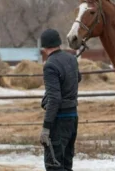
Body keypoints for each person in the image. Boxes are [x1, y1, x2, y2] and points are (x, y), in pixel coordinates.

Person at [39, 28, 81, 171]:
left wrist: (46, 127)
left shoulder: (50, 65)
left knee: (54, 166)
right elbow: (78, 78)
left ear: (44, 47)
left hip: (59, 121)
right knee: (66, 165)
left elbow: (54, 99)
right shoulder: (72, 59)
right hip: (73, 118)